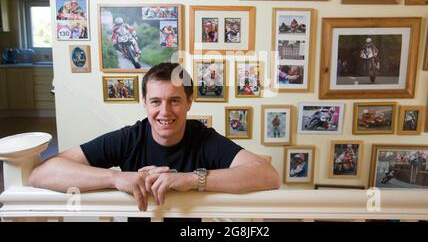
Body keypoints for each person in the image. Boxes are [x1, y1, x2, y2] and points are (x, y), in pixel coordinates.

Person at [29, 63, 280, 212]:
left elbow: (268, 175)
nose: (164, 112)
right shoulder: (129, 138)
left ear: (189, 103)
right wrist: (116, 177)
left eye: (175, 101)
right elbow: (42, 173)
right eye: (156, 102)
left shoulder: (204, 138)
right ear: (144, 104)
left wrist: (191, 179)